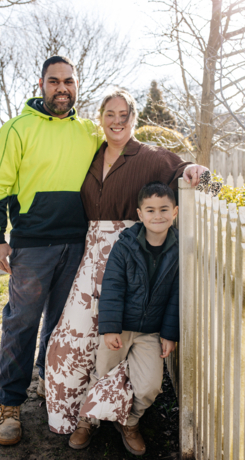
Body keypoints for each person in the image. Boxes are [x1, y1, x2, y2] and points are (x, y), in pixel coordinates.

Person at [45, 89, 207, 446]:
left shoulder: (149, 155)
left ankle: (126, 420)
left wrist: (195, 170)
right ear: (100, 117)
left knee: (122, 343)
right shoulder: (91, 154)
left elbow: (180, 170)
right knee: (76, 341)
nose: (117, 121)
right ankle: (84, 416)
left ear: (134, 118)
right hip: (92, 258)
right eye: (110, 114)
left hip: (130, 255)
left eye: (124, 114)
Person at [0, 55, 103, 446]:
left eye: (69, 81)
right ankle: (8, 403)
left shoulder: (89, 131)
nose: (62, 88)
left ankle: (45, 383)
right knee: (21, 323)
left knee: (59, 325)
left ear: (77, 85)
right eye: (54, 81)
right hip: (32, 244)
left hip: (76, 242)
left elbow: (128, 147)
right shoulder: (17, 128)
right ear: (41, 83)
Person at [90, 181, 179, 456]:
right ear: (140, 214)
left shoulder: (179, 250)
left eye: (164, 209)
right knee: (102, 374)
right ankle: (88, 420)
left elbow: (177, 295)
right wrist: (110, 328)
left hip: (151, 332)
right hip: (120, 327)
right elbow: (113, 287)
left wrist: (169, 333)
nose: (157, 216)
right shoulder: (125, 245)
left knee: (150, 385)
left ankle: (129, 422)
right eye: (150, 210)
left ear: (174, 212)